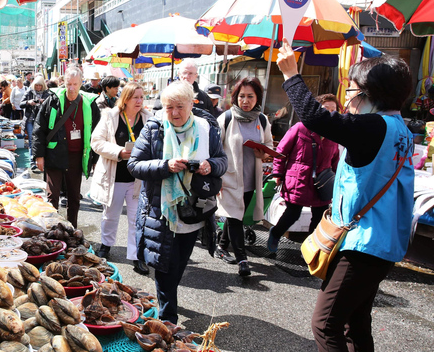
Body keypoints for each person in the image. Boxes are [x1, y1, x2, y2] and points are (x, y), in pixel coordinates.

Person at [277, 41, 414, 352]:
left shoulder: (373, 126)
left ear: (370, 95)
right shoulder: (400, 127)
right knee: (356, 320)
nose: (349, 97)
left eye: (353, 90)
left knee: (326, 323)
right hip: (383, 241)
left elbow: (318, 120)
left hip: (365, 242)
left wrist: (290, 75)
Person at [128, 80, 227, 322]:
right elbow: (134, 164)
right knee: (164, 267)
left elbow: (222, 161)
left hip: (194, 211)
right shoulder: (154, 128)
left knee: (179, 265)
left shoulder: (206, 128)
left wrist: (210, 165)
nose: (174, 113)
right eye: (169, 107)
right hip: (162, 211)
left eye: (180, 107)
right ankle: (168, 320)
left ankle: (168, 306)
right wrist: (165, 166)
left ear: (191, 104)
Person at [89, 82, 152, 274]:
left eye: (142, 97)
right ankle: (106, 246)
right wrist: (119, 152)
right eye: (136, 97)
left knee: (136, 219)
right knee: (110, 216)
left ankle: (135, 256)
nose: (140, 101)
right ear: (125, 99)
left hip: (137, 179)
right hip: (114, 176)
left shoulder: (149, 118)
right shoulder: (110, 116)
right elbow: (96, 142)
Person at [267, 94, 340, 253]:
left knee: (319, 217)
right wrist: (278, 174)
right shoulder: (300, 128)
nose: (329, 113)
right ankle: (276, 233)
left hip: (321, 183)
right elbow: (281, 151)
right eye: (325, 108)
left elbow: (335, 160)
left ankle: (311, 248)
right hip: (299, 179)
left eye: (333, 110)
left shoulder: (334, 135)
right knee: (293, 213)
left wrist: (336, 181)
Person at [215, 77, 273, 276]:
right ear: (235, 97)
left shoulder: (262, 120)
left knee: (235, 216)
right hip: (229, 179)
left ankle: (222, 245)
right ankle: (242, 259)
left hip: (250, 181)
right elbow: (214, 150)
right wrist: (216, 178)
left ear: (257, 98)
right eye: (241, 96)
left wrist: (263, 154)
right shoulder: (226, 118)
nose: (245, 100)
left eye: (250, 96)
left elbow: (269, 146)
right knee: (236, 219)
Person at [33, 66, 101, 227]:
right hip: (54, 153)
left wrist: (95, 159)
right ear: (63, 83)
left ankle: (72, 230)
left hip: (77, 156)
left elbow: (97, 132)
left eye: (75, 84)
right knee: (52, 196)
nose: (71, 88)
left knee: (74, 196)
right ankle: (51, 229)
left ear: (81, 83)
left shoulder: (89, 104)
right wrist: (39, 155)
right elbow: (39, 127)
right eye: (68, 84)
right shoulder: (53, 100)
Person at [20, 75, 50, 172]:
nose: (38, 87)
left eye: (40, 86)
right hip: (30, 119)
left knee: (41, 139)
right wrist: (29, 102)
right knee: (31, 141)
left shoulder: (47, 93)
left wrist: (43, 102)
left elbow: (51, 105)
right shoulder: (29, 91)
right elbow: (21, 104)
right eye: (36, 85)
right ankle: (32, 161)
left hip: (42, 120)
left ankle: (41, 159)